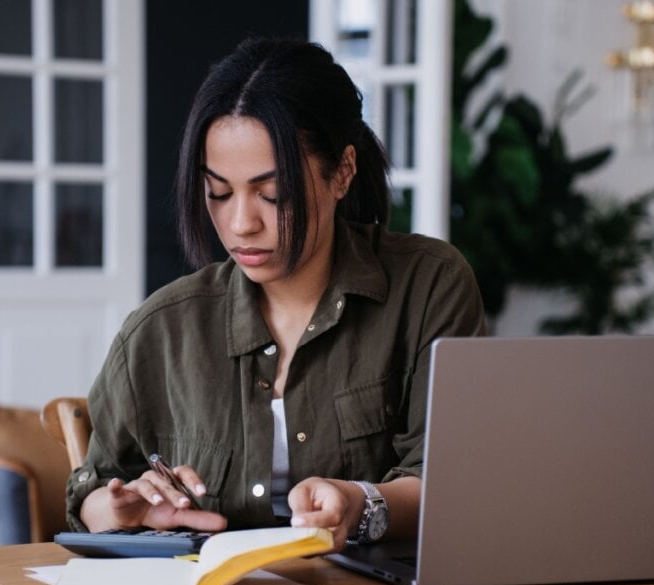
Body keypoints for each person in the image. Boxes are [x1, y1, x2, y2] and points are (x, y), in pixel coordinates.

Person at [66, 37, 486, 551]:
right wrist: (121, 508)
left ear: (343, 173)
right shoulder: (160, 331)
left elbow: (450, 483)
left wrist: (362, 503)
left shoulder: (429, 286)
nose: (241, 223)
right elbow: (90, 489)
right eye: (218, 192)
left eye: (273, 194)